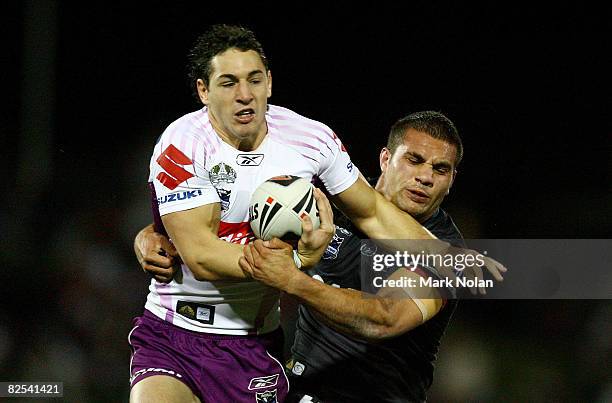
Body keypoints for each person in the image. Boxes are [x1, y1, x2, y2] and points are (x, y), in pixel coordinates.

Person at [129, 24, 454, 403]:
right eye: (229, 83)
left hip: (260, 348)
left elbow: (374, 223)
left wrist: (452, 262)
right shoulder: (182, 143)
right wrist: (150, 234)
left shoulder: (310, 141)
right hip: (176, 334)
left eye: (254, 80)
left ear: (269, 81)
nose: (245, 95)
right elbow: (201, 255)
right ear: (204, 91)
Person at [140, 110, 506, 401]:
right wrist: (152, 237)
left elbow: (384, 318)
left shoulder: (446, 253)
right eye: (414, 160)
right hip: (291, 386)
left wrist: (293, 280)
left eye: (439, 169)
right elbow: (227, 229)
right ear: (384, 159)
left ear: (451, 180)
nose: (425, 176)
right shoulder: (324, 204)